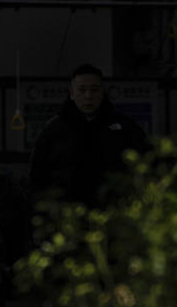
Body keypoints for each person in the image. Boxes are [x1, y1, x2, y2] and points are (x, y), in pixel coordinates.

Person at [29, 63, 149, 206]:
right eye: (82, 90)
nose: (88, 96)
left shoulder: (124, 126)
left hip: (112, 211)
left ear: (102, 93)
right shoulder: (55, 129)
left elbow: (144, 164)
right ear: (72, 94)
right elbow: (37, 174)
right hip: (66, 212)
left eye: (94, 90)